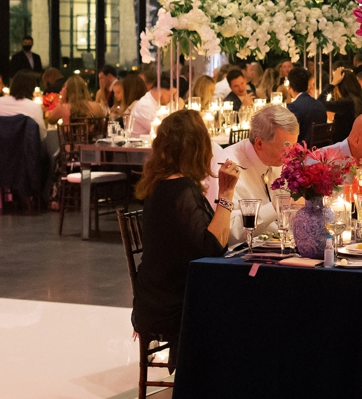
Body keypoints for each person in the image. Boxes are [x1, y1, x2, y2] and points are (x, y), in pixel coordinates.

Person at [132, 110, 239, 368]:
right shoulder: (180, 190)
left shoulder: (162, 184)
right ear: (198, 147)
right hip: (171, 302)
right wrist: (226, 192)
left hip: (156, 293)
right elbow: (213, 247)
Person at [217, 104, 299, 244]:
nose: (290, 156)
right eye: (285, 150)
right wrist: (276, 206)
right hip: (240, 256)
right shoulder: (228, 167)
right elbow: (229, 232)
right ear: (259, 143)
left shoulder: (277, 162)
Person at [285, 67, 327, 145]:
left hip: (300, 153)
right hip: (320, 152)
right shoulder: (320, 105)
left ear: (290, 86)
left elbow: (288, 134)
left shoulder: (294, 107)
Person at [328, 73, 362, 141]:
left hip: (343, 147)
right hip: (359, 144)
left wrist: (332, 84)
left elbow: (320, 102)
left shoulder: (345, 104)